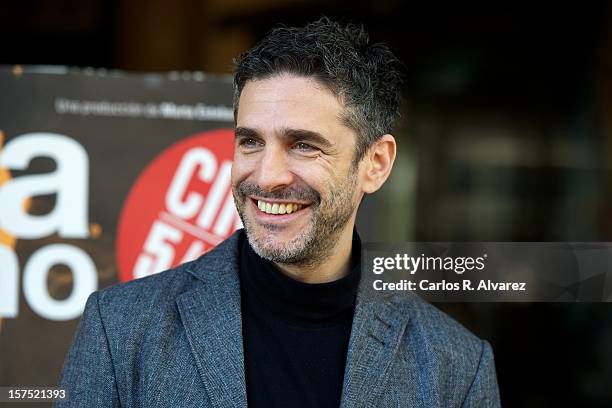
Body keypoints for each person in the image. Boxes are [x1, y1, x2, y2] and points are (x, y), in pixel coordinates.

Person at [57, 17, 501, 407]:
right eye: (250, 141)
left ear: (376, 164)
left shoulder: (455, 367)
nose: (267, 177)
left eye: (304, 145)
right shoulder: (119, 328)